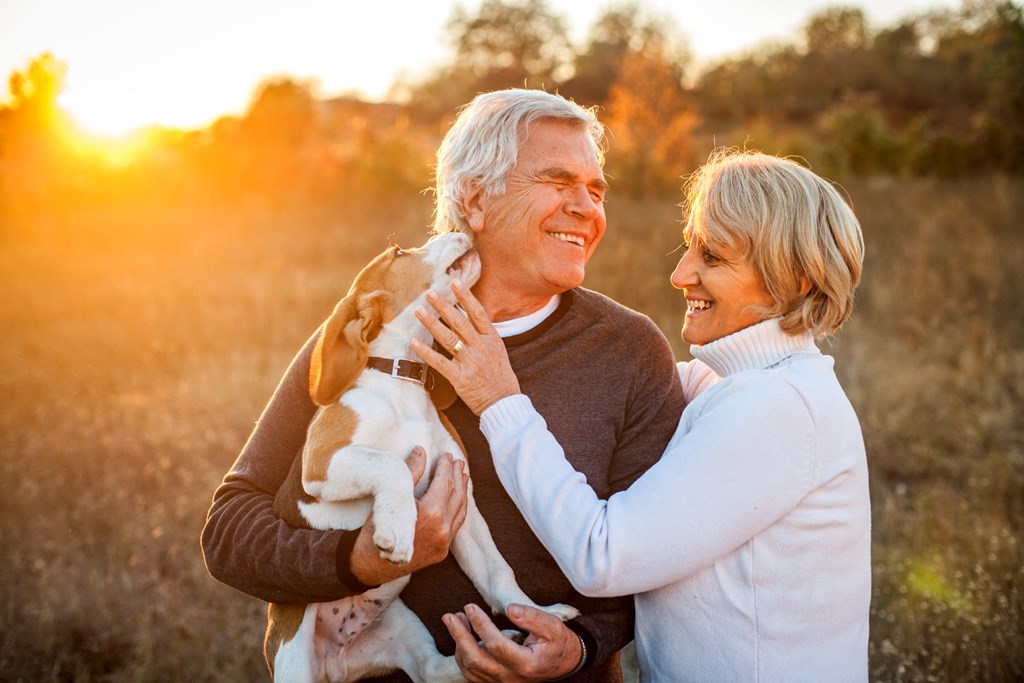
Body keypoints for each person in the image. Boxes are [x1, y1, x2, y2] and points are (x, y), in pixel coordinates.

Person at [201, 88, 686, 682]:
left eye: (595, 189)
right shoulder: (371, 337)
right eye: (559, 182)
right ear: (475, 200)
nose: (586, 207)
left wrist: (579, 645)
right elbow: (228, 531)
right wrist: (355, 563)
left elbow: (655, 558)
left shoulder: (629, 351)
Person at [413, 149, 871, 682]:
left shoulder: (777, 407)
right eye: (689, 249)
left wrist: (498, 399)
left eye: (714, 258)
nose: (681, 274)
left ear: (792, 280)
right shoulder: (744, 386)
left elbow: (603, 556)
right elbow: (628, 377)